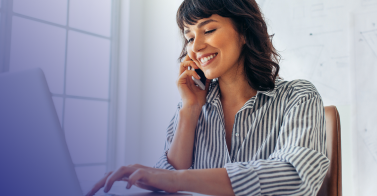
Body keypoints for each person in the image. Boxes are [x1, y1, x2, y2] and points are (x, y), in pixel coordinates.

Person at [86, 0, 329, 195]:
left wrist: (176, 180)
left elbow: (295, 175)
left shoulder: (298, 96)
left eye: (209, 30)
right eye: (190, 37)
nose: (195, 47)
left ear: (244, 31)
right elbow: (167, 182)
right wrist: (190, 109)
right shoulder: (192, 106)